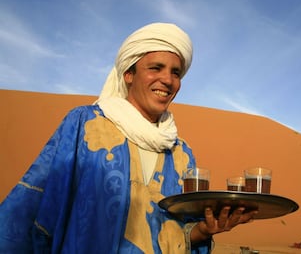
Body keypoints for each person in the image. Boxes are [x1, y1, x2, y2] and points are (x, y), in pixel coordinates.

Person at [0, 22, 257, 253]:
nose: (167, 80)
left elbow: (178, 233)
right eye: (156, 68)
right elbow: (30, 211)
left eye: (176, 72)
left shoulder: (181, 153)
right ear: (129, 74)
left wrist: (203, 231)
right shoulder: (85, 125)